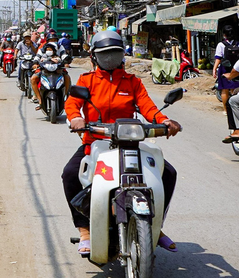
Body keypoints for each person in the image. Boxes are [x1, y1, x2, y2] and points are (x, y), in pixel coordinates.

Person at [61, 29, 182, 256]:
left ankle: (156, 227)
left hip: (129, 143)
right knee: (69, 174)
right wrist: (76, 118)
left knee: (168, 173)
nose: (109, 59)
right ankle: (85, 229)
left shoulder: (132, 82)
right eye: (104, 54)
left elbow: (148, 107)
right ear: (94, 56)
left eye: (114, 54)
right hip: (95, 142)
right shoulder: (86, 81)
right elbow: (72, 103)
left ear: (122, 55)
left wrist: (164, 121)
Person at [213, 24, 239, 143]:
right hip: (236, 69)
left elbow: (218, 58)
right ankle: (235, 109)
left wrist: (214, 69)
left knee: (224, 90)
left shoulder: (221, 45)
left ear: (224, 34)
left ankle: (227, 111)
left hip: (225, 69)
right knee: (235, 89)